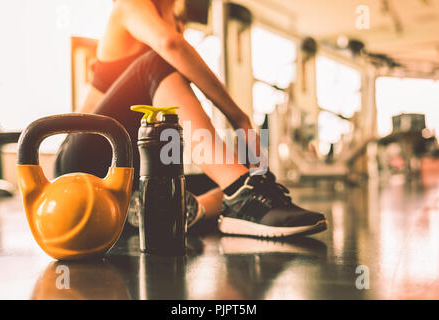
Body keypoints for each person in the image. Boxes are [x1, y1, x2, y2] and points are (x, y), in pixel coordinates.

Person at [54, 0, 327, 237]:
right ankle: (241, 193)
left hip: (133, 172)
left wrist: (255, 167)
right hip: (83, 162)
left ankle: (188, 208)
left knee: (243, 170)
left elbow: (184, 107)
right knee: (156, 60)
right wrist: (238, 116)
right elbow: (170, 44)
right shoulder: (130, 6)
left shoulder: (174, 22)